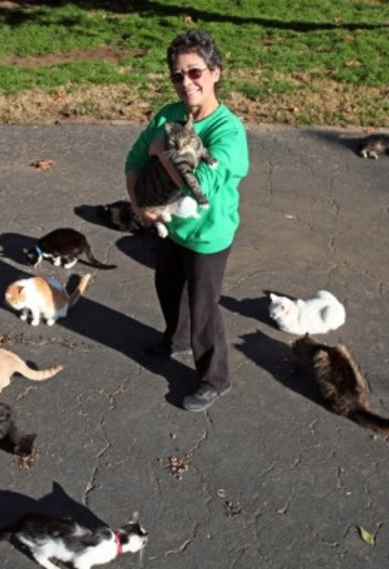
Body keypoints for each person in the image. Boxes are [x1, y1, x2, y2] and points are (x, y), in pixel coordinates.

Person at [124, 29, 249, 412]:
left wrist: (162, 151)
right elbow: (134, 159)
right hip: (172, 228)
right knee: (167, 286)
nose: (186, 82)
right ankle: (176, 340)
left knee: (203, 307)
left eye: (195, 72)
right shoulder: (169, 114)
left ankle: (215, 378)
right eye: (178, 75)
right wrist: (139, 204)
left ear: (215, 72)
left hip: (209, 235)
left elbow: (202, 186)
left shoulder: (228, 132)